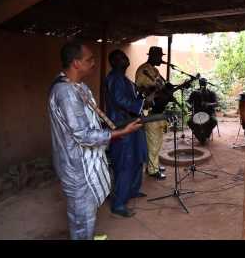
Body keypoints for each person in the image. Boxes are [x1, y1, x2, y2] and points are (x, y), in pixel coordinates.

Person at [48, 39, 143, 240]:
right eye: (89, 60)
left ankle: (87, 235)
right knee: (81, 214)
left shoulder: (76, 86)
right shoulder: (66, 93)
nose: (94, 63)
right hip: (76, 166)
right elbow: (83, 135)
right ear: (76, 63)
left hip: (81, 162)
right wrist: (120, 132)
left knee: (87, 211)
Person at [105, 49, 148, 217]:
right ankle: (119, 203)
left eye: (124, 56)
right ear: (114, 62)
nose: (125, 58)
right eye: (120, 57)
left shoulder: (124, 79)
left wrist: (142, 97)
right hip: (123, 126)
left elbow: (132, 99)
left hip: (132, 124)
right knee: (125, 163)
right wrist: (138, 103)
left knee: (137, 158)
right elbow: (120, 100)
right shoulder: (115, 78)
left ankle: (131, 191)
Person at [135, 46, 168, 180]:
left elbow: (162, 85)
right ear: (153, 56)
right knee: (153, 140)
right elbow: (141, 89)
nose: (161, 59)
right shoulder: (143, 70)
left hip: (158, 109)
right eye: (160, 57)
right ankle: (152, 170)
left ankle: (153, 164)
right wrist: (155, 91)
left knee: (157, 140)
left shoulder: (155, 70)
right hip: (149, 109)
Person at [187, 77, 218, 145]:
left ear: (206, 84)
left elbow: (216, 103)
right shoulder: (194, 93)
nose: (202, 84)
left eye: (204, 83)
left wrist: (208, 104)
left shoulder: (211, 93)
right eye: (201, 83)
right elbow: (188, 102)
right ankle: (199, 136)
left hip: (209, 113)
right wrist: (189, 106)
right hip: (197, 113)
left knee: (214, 121)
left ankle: (206, 135)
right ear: (199, 84)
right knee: (190, 122)